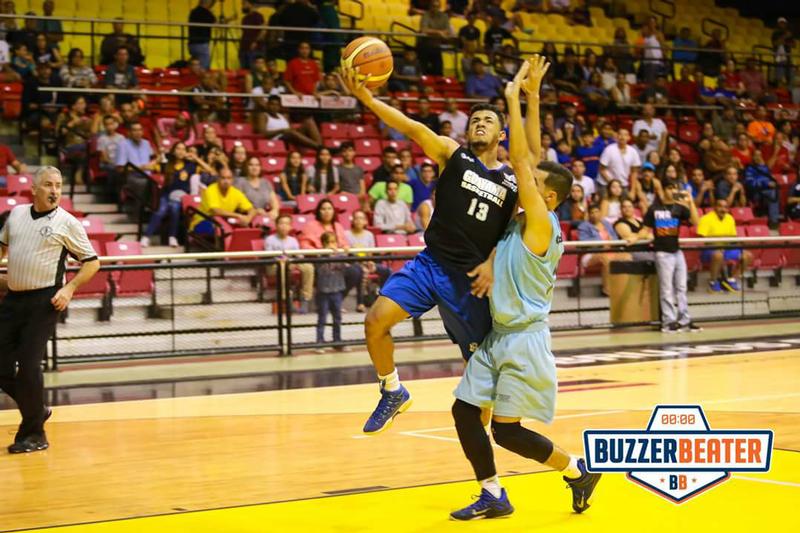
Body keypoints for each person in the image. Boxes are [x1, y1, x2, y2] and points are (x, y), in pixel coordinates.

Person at [450, 57, 601, 520]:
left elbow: (521, 158)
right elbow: (532, 156)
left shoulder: (541, 223)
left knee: (509, 433)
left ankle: (576, 469)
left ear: (549, 197)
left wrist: (512, 97)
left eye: (533, 185)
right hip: (498, 336)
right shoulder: (520, 219)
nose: (524, 181)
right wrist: (535, 97)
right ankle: (493, 494)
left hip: (525, 340)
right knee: (464, 411)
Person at [341, 56, 520, 434]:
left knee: (478, 388)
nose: (480, 124)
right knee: (375, 322)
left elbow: (514, 232)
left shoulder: (512, 182)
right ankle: (392, 390)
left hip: (472, 280)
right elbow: (409, 126)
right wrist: (369, 100)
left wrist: (492, 261)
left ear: (502, 134)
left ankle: (486, 474)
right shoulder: (453, 155)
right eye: (474, 120)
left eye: (488, 120)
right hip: (431, 263)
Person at [0, 166, 100, 453]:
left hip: (44, 301)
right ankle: (36, 409)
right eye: (47, 185)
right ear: (33, 189)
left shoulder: (67, 223)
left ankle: (35, 433)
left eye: (58, 185)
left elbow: (92, 262)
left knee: (29, 366)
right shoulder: (17, 215)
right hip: (12, 299)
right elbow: (1, 245)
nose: (54, 190)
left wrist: (68, 289)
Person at [643, 180, 702, 333]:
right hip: (662, 253)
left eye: (675, 188)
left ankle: (684, 321)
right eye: (669, 187)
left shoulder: (680, 208)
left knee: (682, 287)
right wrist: (633, 237)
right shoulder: (654, 209)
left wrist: (690, 201)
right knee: (667, 289)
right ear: (662, 190)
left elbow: (696, 222)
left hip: (677, 251)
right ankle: (668, 322)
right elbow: (644, 230)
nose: (673, 191)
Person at [141, 142, 212, 248]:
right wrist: (158, 159)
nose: (180, 151)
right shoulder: (167, 164)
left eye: (183, 149)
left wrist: (196, 158)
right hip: (166, 195)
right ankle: (146, 237)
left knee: (174, 208)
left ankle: (172, 237)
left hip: (182, 197)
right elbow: (145, 168)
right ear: (173, 151)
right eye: (178, 149)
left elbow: (210, 171)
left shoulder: (191, 166)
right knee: (160, 211)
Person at [697, 198, 752, 293]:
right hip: (709, 249)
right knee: (718, 255)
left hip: (726, 248)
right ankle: (713, 282)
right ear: (714, 207)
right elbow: (703, 240)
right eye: (720, 206)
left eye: (725, 207)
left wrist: (739, 243)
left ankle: (731, 280)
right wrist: (717, 246)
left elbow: (732, 238)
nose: (723, 209)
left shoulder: (730, 218)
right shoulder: (705, 219)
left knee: (747, 255)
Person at [265, 214, 313, 314]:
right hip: (275, 265)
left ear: (290, 226)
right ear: (276, 225)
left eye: (287, 224)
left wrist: (299, 257)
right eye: (281, 223)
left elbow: (299, 256)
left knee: (308, 267)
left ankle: (305, 298)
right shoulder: (270, 239)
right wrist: (283, 259)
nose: (284, 226)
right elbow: (269, 256)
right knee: (283, 266)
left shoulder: (293, 240)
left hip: (291, 262)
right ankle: (286, 298)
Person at [190, 167, 257, 233]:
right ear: (218, 179)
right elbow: (216, 211)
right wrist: (238, 216)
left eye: (229, 178)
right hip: (203, 221)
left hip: (223, 222)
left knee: (246, 227)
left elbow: (252, 209)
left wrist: (248, 218)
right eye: (223, 178)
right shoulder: (211, 190)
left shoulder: (236, 192)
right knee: (219, 228)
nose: (226, 181)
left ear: (232, 180)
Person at [314, 231, 346, 351]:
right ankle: (319, 343)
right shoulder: (320, 256)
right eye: (328, 243)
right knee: (322, 318)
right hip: (323, 291)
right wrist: (328, 255)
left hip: (337, 290)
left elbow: (346, 265)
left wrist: (343, 253)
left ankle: (337, 341)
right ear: (323, 244)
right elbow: (320, 270)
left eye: (333, 242)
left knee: (337, 317)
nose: (331, 245)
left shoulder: (340, 256)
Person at [417, 0, 452, 76]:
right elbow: (423, 29)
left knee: (438, 69)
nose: (435, 8)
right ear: (430, 7)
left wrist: (432, 32)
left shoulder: (444, 16)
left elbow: (448, 31)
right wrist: (439, 32)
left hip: (436, 46)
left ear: (439, 7)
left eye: (437, 6)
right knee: (423, 69)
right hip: (425, 45)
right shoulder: (426, 15)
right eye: (433, 6)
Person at [188, 0, 216, 70]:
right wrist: (211, 12)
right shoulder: (206, 12)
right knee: (204, 66)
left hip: (192, 43)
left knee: (195, 66)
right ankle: (201, 80)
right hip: (202, 43)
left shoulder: (193, 11)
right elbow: (214, 21)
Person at [239, 0, 266, 69]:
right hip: (244, 49)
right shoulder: (244, 18)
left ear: (250, 4)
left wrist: (255, 42)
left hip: (255, 50)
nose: (242, 6)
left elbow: (263, 30)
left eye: (244, 4)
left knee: (254, 70)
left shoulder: (258, 16)